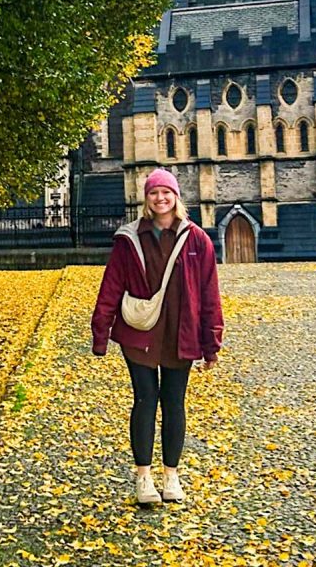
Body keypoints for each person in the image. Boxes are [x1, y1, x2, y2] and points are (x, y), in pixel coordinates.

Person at [91, 168, 224, 505]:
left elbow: (210, 294)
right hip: (141, 333)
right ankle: (143, 478)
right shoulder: (129, 238)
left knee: (174, 403)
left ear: (176, 197)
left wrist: (212, 343)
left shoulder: (198, 240)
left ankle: (172, 476)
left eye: (166, 193)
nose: (160, 198)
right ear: (146, 199)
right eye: (154, 193)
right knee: (145, 399)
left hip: (182, 333)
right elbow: (112, 285)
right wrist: (101, 332)